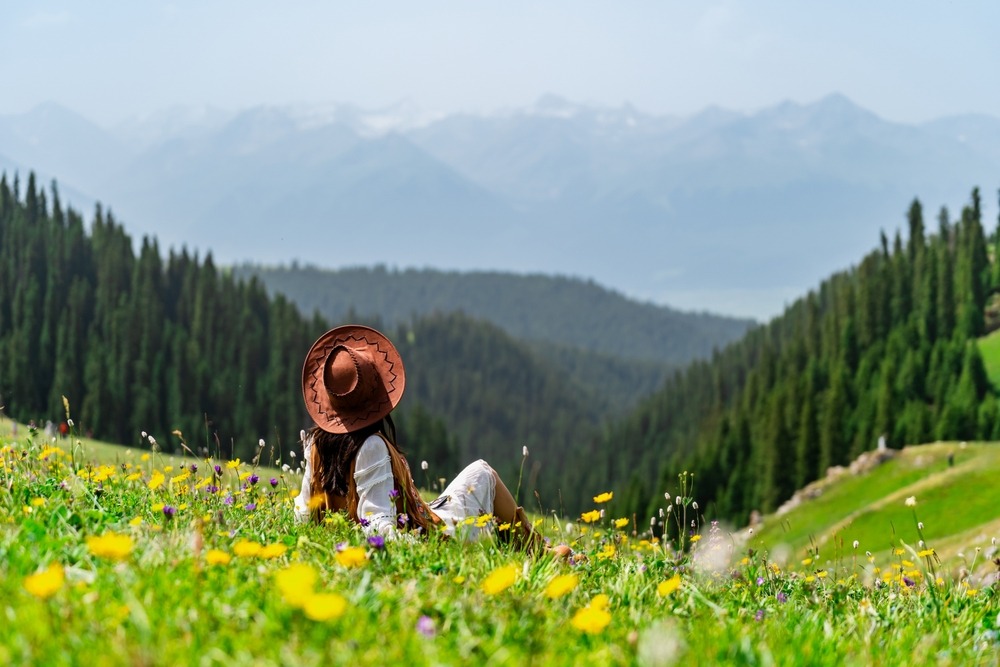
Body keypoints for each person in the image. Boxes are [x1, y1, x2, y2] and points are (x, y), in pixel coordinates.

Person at [294, 324, 545, 551]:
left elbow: (303, 513)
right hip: (431, 536)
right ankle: (537, 551)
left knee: (471, 483)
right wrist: (421, 546)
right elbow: (378, 525)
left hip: (417, 520)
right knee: (482, 472)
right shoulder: (371, 446)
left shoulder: (316, 444)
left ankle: (527, 546)